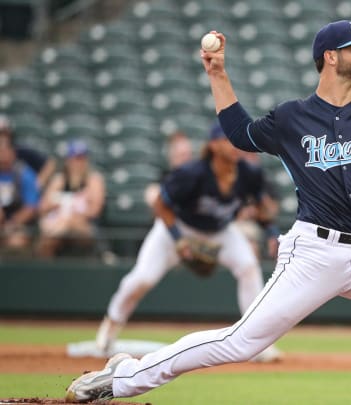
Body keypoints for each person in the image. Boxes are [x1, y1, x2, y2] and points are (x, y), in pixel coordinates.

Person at [67, 21, 351, 405]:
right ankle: (123, 378)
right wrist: (217, 73)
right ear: (330, 58)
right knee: (240, 342)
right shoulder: (293, 118)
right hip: (312, 253)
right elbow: (239, 133)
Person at [93, 125, 283, 363]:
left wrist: (272, 231)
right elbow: (160, 205)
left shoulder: (249, 174)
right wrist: (178, 239)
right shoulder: (193, 173)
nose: (235, 145)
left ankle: (258, 342)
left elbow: (261, 208)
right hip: (177, 227)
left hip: (220, 231)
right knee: (143, 278)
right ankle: (110, 326)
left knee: (248, 267)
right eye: (228, 140)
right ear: (213, 145)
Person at [35, 140, 106, 257]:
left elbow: (95, 211)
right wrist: (61, 204)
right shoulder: (60, 180)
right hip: (58, 226)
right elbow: (43, 207)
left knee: (67, 223)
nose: (78, 163)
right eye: (75, 159)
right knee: (51, 235)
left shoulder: (93, 180)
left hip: (85, 227)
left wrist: (72, 211)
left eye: (81, 159)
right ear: (68, 161)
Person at [0, 130, 39, 254]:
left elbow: (31, 208)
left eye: (4, 150)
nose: (2, 154)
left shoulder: (25, 174)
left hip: (19, 225)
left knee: (16, 242)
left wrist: (10, 224)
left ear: (13, 152)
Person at [0, 115, 57, 190]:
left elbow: (50, 163)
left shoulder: (21, 151)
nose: (2, 138)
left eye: (4, 134)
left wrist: (38, 182)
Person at [143, 131, 194, 207]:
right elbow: (152, 196)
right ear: (171, 156)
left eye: (188, 154)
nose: (186, 159)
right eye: (182, 155)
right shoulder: (163, 180)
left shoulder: (197, 179)